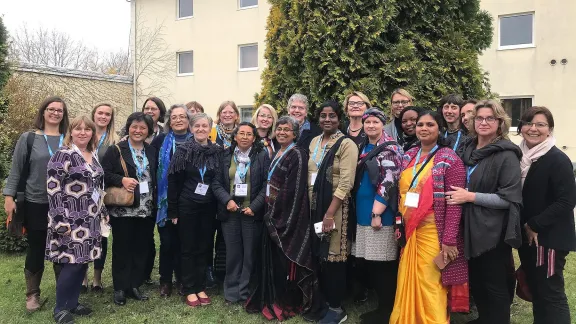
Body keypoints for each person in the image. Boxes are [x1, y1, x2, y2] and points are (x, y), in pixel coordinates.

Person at [447, 100, 522, 324]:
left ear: (500, 122)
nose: (484, 122)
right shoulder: (468, 149)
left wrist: (470, 196)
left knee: (494, 285)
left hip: (492, 231)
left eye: (490, 118)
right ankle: (485, 318)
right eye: (479, 118)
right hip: (469, 227)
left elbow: (509, 198)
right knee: (477, 281)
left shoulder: (506, 154)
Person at [390, 110, 468, 324]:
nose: (423, 128)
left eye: (430, 125)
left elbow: (454, 203)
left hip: (433, 232)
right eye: (420, 125)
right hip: (410, 229)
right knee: (408, 279)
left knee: (430, 283)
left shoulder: (449, 158)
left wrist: (449, 239)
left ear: (440, 128)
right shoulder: (409, 155)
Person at [246, 116, 326, 322]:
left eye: (286, 130)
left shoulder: (297, 154)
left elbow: (293, 190)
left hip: (287, 219)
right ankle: (274, 296)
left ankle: (288, 299)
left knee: (285, 264)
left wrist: (275, 215)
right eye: (279, 129)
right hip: (270, 213)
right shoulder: (277, 152)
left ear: (295, 134)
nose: (281, 132)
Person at [3, 96, 69, 312]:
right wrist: (9, 197)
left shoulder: (68, 139)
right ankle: (32, 294)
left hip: (64, 203)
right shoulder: (29, 138)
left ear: (64, 114)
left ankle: (64, 291)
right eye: (51, 109)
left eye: (60, 110)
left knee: (63, 247)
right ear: (43, 112)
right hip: (36, 201)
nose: (55, 113)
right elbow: (16, 170)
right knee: (37, 247)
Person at [517, 106, 576, 324]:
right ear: (521, 127)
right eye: (528, 123)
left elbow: (567, 200)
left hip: (547, 238)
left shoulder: (556, 159)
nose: (533, 128)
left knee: (551, 294)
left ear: (549, 130)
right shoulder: (522, 157)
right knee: (537, 291)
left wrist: (534, 224)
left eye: (540, 124)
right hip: (529, 239)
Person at [46, 116, 107, 324]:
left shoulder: (92, 154)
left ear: (92, 133)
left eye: (87, 129)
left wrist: (103, 210)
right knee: (71, 264)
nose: (83, 132)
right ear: (70, 132)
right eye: (78, 129)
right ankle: (60, 308)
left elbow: (96, 187)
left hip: (91, 218)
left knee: (82, 263)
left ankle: (73, 303)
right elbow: (53, 189)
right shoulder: (63, 155)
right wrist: (59, 220)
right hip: (70, 219)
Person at [308, 101, 358, 324]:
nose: (327, 119)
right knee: (321, 255)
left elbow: (346, 182)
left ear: (340, 119)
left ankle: (337, 308)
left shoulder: (347, 144)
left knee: (335, 254)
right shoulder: (313, 142)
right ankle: (324, 302)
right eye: (323, 115)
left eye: (332, 116)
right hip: (314, 205)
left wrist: (329, 213)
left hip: (336, 207)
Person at [351, 108, 403, 324]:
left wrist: (377, 213)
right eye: (367, 122)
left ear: (383, 124)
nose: (371, 125)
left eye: (375, 122)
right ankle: (381, 307)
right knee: (372, 261)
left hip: (380, 215)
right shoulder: (364, 145)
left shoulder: (390, 148)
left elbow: (388, 183)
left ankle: (386, 311)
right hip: (363, 214)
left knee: (383, 265)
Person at [102, 112, 157, 306]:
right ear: (128, 127)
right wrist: (121, 179)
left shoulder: (151, 150)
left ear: (149, 131)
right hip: (123, 209)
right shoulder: (116, 150)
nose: (138, 130)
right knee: (122, 248)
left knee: (141, 248)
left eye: (143, 128)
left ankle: (134, 284)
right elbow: (104, 174)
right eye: (135, 126)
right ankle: (120, 287)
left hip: (146, 208)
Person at [168, 113, 223, 307]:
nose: (201, 129)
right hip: (187, 205)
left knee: (204, 247)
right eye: (197, 126)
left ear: (210, 129)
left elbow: (219, 180)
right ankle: (189, 287)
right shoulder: (183, 151)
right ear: (191, 129)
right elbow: (173, 181)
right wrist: (173, 211)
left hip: (208, 207)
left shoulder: (217, 151)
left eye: (204, 126)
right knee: (188, 248)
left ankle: (201, 286)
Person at [212, 122, 271, 305]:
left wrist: (254, 206)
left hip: (251, 212)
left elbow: (266, 185)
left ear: (254, 138)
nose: (245, 137)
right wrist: (227, 200)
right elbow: (216, 183)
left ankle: (245, 292)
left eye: (249, 134)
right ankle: (231, 293)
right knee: (233, 253)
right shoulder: (225, 155)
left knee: (249, 254)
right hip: (230, 212)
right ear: (235, 137)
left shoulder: (262, 156)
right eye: (241, 134)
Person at [150, 105, 194, 298]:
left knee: (186, 243)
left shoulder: (196, 141)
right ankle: (165, 280)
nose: (178, 120)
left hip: (190, 200)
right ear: (169, 121)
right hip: (165, 202)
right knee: (167, 242)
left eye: (182, 116)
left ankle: (183, 279)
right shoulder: (160, 141)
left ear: (188, 120)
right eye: (174, 117)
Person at [82, 103, 119, 293]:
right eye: (100, 113)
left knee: (101, 236)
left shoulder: (114, 141)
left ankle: (97, 279)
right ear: (93, 114)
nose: (103, 117)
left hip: (103, 195)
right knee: (83, 236)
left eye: (107, 114)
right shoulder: (82, 135)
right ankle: (83, 278)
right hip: (81, 195)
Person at [207, 101, 239, 287]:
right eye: (223, 112)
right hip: (212, 187)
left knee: (226, 233)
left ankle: (223, 270)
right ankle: (209, 270)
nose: (227, 115)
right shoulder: (211, 133)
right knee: (210, 231)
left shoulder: (241, 133)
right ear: (219, 115)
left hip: (233, 190)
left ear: (236, 115)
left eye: (231, 112)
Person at [141, 97, 166, 284]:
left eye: (154, 108)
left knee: (162, 235)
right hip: (141, 193)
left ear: (160, 112)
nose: (150, 111)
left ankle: (154, 272)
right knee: (144, 235)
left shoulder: (166, 133)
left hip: (162, 191)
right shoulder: (133, 131)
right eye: (147, 108)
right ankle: (142, 273)